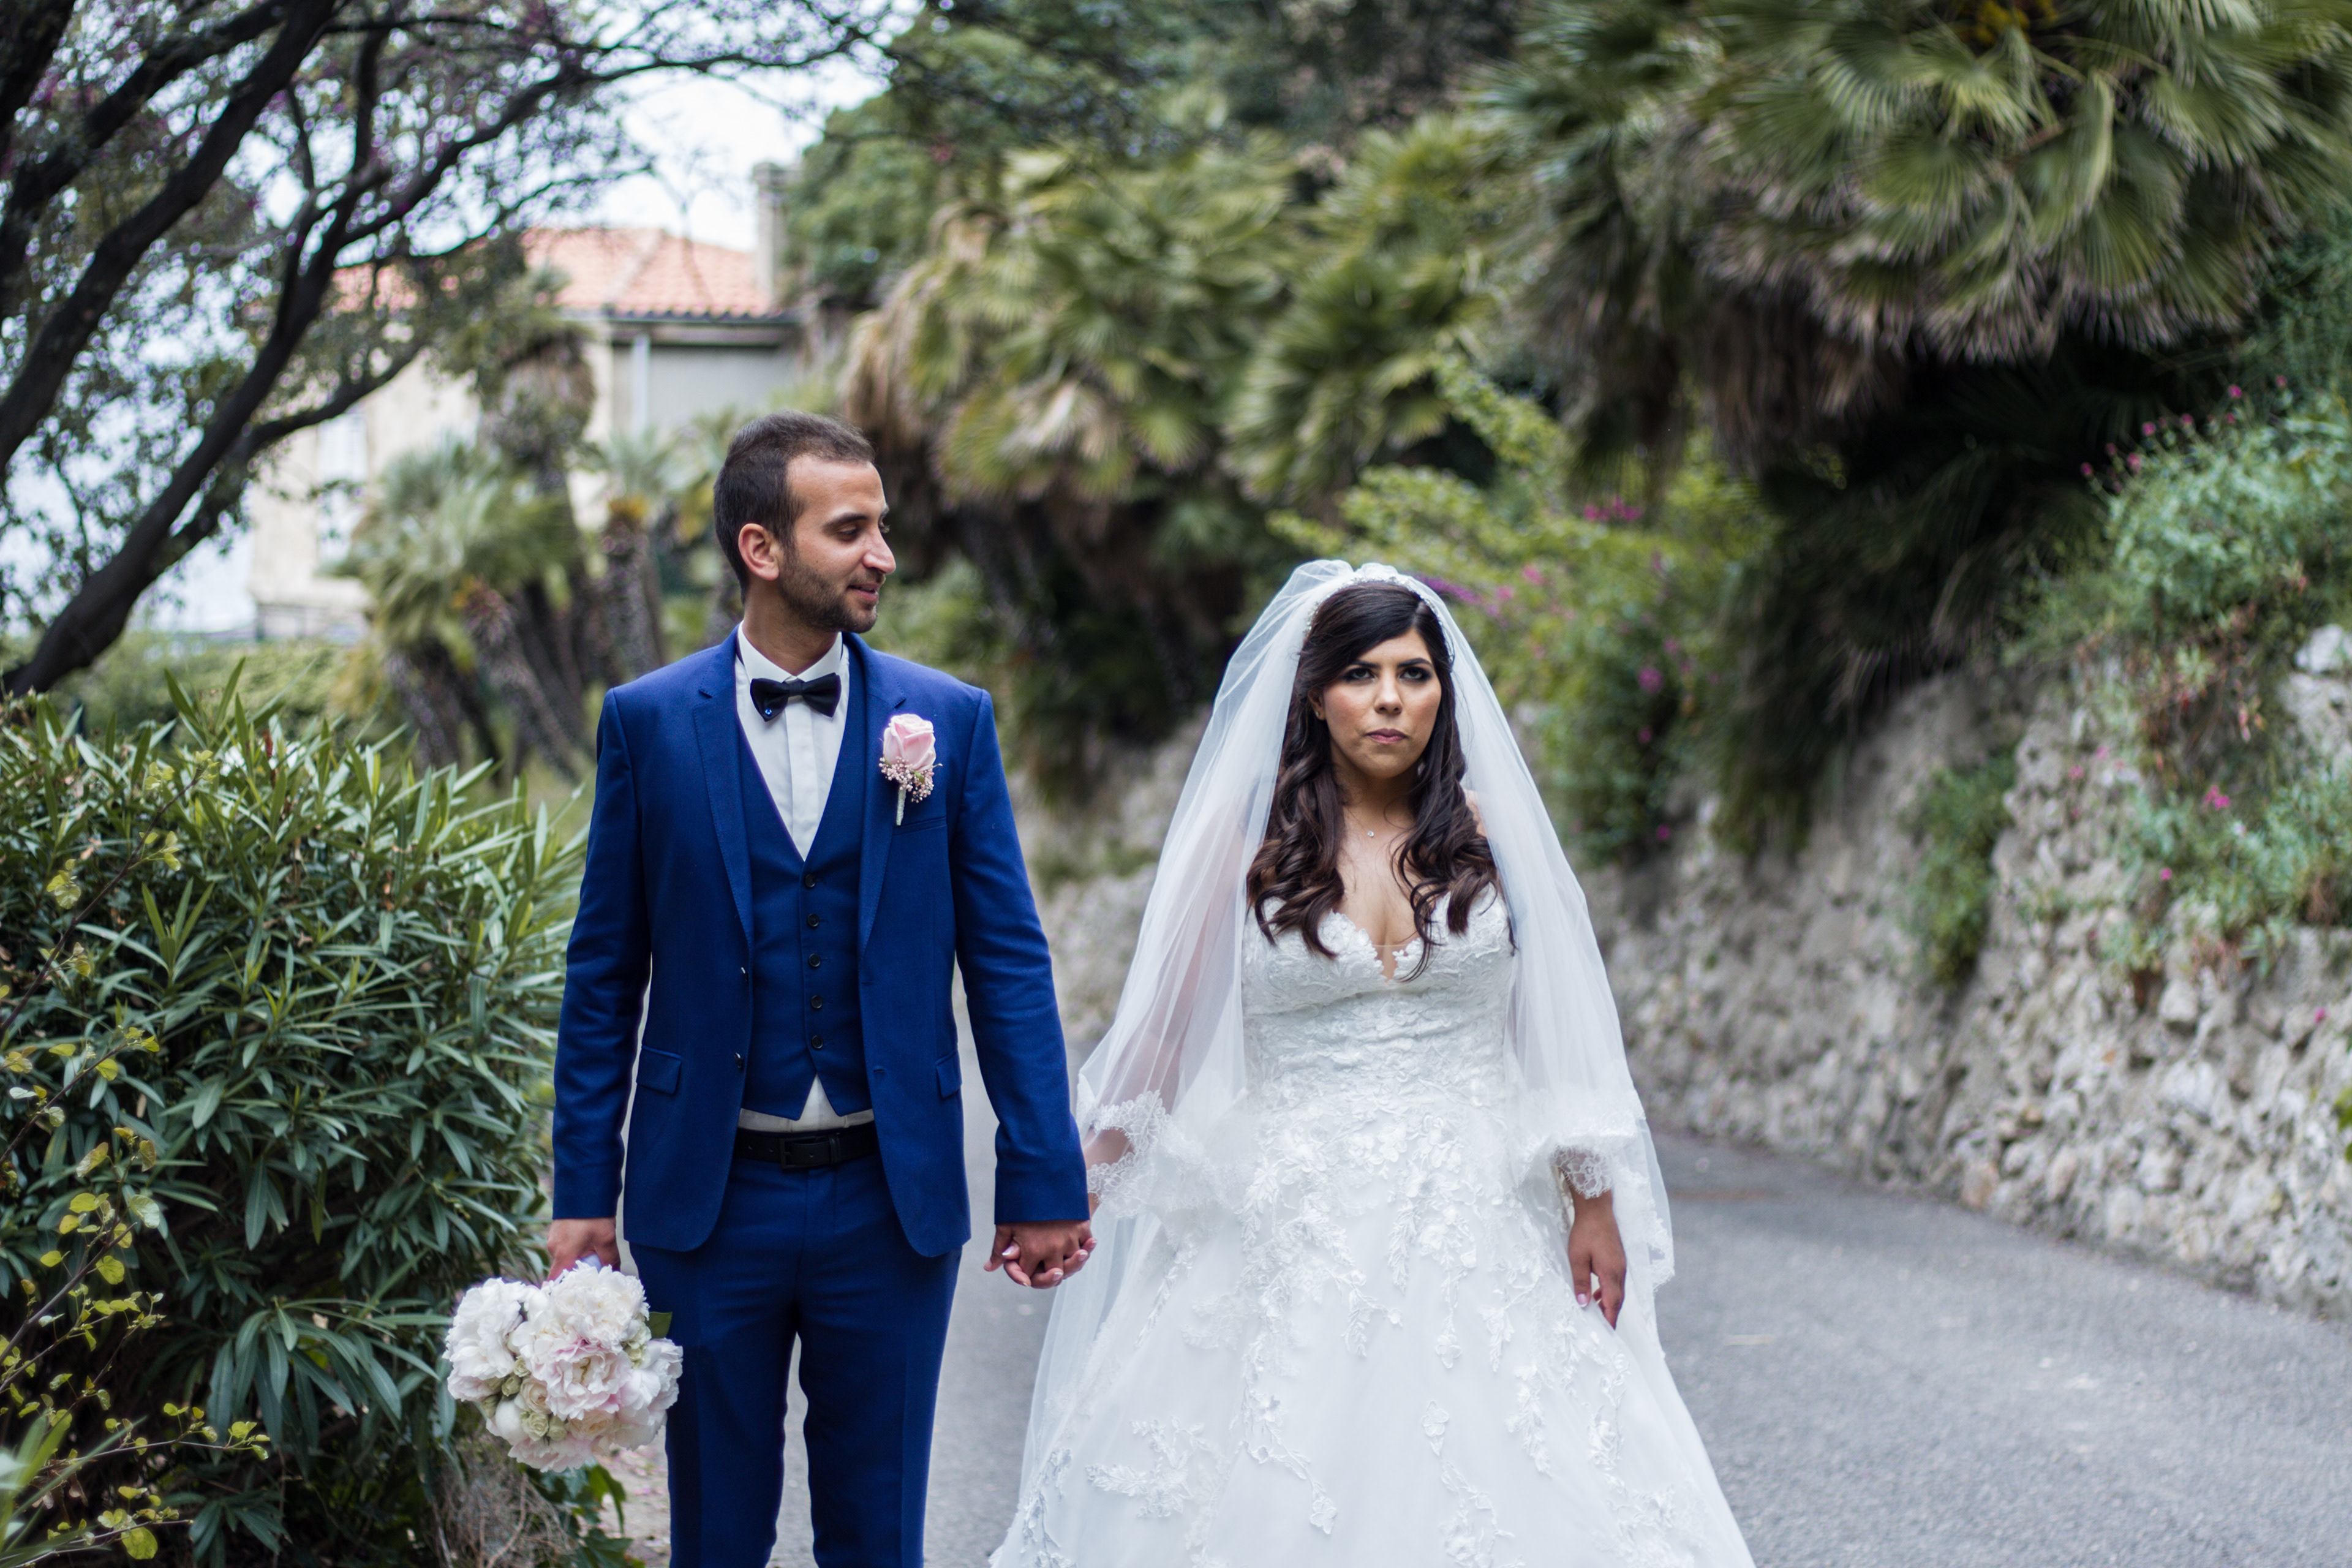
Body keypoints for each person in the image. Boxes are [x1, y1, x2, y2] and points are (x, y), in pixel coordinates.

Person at [993, 562, 1754, 1567]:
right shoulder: (1245, 843)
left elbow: (1550, 1029)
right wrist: (1070, 1186)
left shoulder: (1489, 836)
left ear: (1444, 692)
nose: (1391, 699)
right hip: (1285, 1214)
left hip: (1485, 1208)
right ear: (1314, 695)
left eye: (1414, 674)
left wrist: (1593, 1199)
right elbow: (1166, 1041)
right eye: (1360, 674)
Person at [548, 411, 1093, 1568]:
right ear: (762, 548)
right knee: (716, 1535)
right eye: (850, 530)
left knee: (878, 1534)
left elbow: (1006, 958)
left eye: (881, 527)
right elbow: (604, 975)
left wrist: (1043, 1172)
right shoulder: (647, 723)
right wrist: (583, 1192)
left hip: (889, 1200)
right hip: (707, 1203)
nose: (881, 554)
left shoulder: (948, 721)